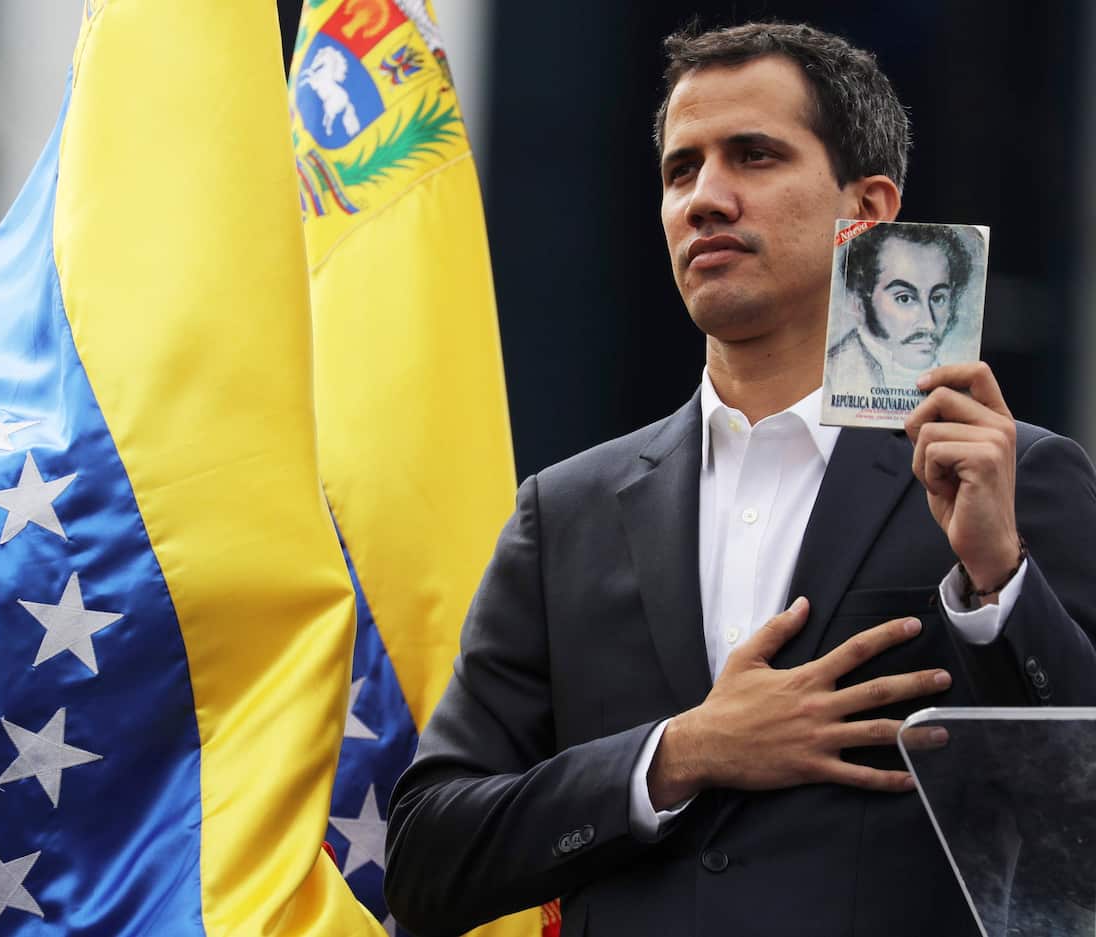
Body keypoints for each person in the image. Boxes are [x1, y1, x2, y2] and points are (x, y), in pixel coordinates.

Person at [384, 21, 1096, 937]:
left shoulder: (1012, 476)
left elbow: (1080, 826)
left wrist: (999, 581)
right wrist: (678, 753)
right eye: (681, 170)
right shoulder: (564, 513)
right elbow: (426, 857)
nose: (706, 199)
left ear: (870, 209)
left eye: (754, 156)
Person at [827, 222, 978, 389]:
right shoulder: (829, 379)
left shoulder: (958, 381)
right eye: (904, 298)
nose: (929, 324)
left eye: (937, 298)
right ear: (859, 303)